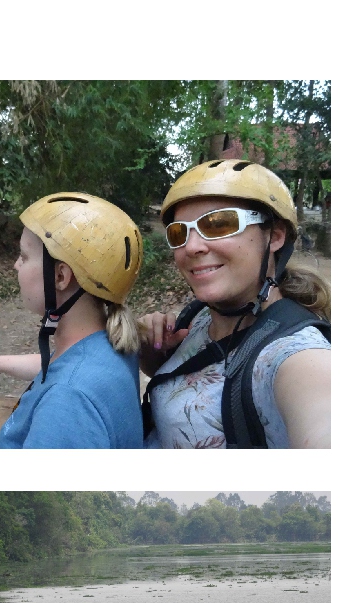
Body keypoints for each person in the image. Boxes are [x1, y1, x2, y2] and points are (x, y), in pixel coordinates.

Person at [139, 159, 331, 449]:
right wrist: (152, 354)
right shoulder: (200, 316)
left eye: (219, 224)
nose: (191, 246)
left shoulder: (297, 357)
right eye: (179, 232)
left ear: (275, 236)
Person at [0, 192, 144, 448]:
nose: (16, 265)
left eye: (24, 257)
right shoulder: (108, 343)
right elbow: (58, 365)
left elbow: (66, 382)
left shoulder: (68, 402)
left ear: (61, 277)